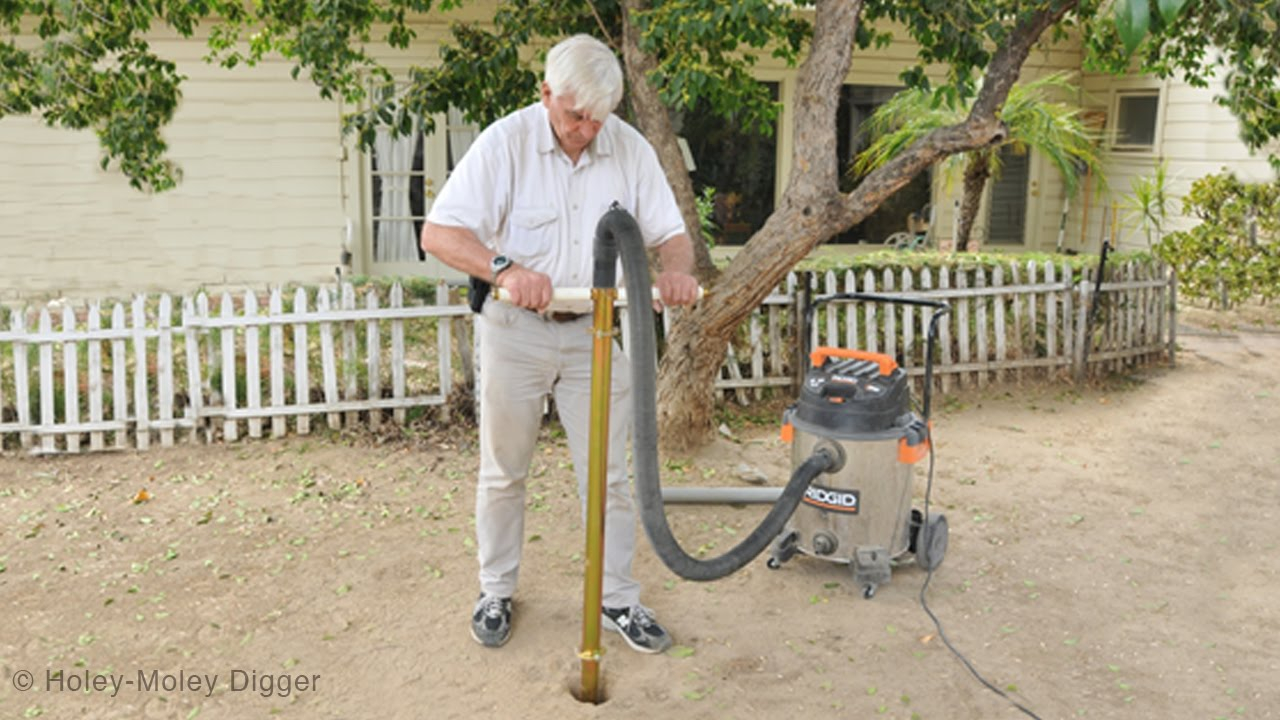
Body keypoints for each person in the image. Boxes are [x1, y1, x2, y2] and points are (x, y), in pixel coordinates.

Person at [419, 34, 699, 653]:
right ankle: (496, 590)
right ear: (545, 94)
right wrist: (504, 268)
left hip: (597, 335)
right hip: (515, 333)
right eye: (575, 116)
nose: (586, 131)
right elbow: (437, 232)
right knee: (503, 472)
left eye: (599, 119)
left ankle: (618, 599)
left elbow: (671, 234)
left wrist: (676, 270)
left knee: (611, 477)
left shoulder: (626, 147)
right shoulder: (506, 144)